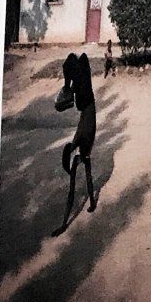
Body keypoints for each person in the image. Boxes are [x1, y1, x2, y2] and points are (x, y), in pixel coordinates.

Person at [57, 51, 98, 231]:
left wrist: (64, 224)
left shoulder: (80, 141)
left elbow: (72, 193)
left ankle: (68, 84)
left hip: (87, 106)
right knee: (77, 59)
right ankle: (68, 85)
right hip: (86, 105)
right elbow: (87, 175)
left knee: (76, 60)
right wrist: (92, 202)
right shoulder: (81, 144)